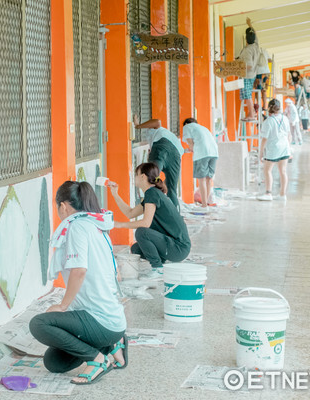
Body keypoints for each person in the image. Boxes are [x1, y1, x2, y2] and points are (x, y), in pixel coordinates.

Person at [29, 181, 127, 385]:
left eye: (57, 208)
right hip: (112, 322)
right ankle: (111, 346)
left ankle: (98, 360)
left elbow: (79, 270)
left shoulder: (77, 226)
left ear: (63, 206)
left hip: (99, 320)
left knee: (38, 324)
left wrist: (63, 305)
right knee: (53, 362)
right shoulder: (96, 224)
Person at [108, 162, 191, 271]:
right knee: (136, 249)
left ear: (142, 177)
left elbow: (145, 223)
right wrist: (115, 194)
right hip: (175, 247)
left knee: (141, 232)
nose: (134, 178)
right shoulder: (153, 194)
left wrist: (120, 225)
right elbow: (130, 213)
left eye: (136, 175)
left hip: (178, 248)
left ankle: (157, 268)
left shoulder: (152, 193)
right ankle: (161, 260)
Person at [133, 116, 184, 209]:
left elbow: (157, 122)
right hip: (177, 155)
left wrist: (137, 126)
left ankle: (148, 212)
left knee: (150, 179)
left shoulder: (160, 131)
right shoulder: (170, 136)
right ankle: (175, 216)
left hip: (162, 147)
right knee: (171, 189)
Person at [257, 99, 291, 202]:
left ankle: (268, 193)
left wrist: (261, 152)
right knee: (283, 171)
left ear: (269, 108)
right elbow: (289, 135)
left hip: (273, 148)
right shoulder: (285, 118)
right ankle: (282, 195)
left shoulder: (268, 121)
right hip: (284, 148)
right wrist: (289, 147)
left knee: (267, 170)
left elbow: (264, 139)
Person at [182, 118, 219, 207]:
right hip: (214, 152)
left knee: (201, 179)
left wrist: (186, 150)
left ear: (186, 123)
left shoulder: (187, 126)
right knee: (208, 179)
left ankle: (204, 205)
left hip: (202, 153)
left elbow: (191, 144)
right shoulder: (203, 128)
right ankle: (205, 202)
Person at [237, 18, 260, 121]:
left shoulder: (248, 50)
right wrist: (249, 24)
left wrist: (237, 66)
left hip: (247, 74)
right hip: (253, 74)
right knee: (248, 94)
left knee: (247, 95)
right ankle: (253, 114)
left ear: (246, 40)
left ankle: (251, 115)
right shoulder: (256, 45)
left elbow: (249, 65)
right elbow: (254, 34)